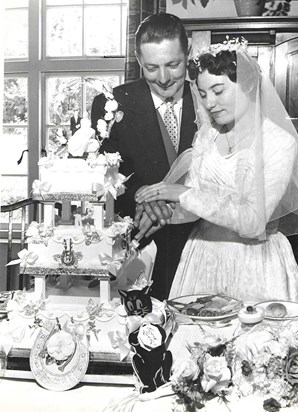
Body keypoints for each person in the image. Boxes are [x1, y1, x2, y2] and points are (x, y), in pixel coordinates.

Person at [135, 39, 298, 304]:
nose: (209, 103)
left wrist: (183, 193)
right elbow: (196, 207)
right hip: (203, 258)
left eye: (218, 90)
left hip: (257, 265)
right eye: (202, 94)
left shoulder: (278, 143)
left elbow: (253, 222)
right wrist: (160, 210)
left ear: (247, 85)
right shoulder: (206, 137)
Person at [90, 13, 197, 300]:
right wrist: (145, 198)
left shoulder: (210, 98)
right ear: (138, 61)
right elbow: (105, 177)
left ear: (189, 52)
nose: (163, 78)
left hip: (200, 247)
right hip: (140, 247)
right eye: (152, 68)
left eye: (173, 65)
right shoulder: (109, 105)